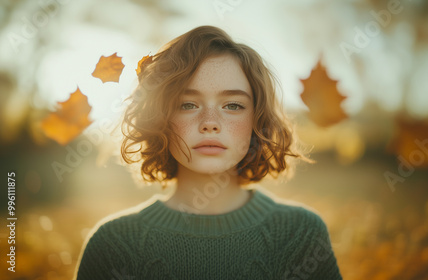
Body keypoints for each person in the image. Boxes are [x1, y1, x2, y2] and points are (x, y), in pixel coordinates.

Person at [75, 25, 343, 280]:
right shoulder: (112, 245)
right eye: (188, 104)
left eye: (233, 105)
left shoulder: (300, 234)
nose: (210, 122)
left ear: (257, 120)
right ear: (160, 119)